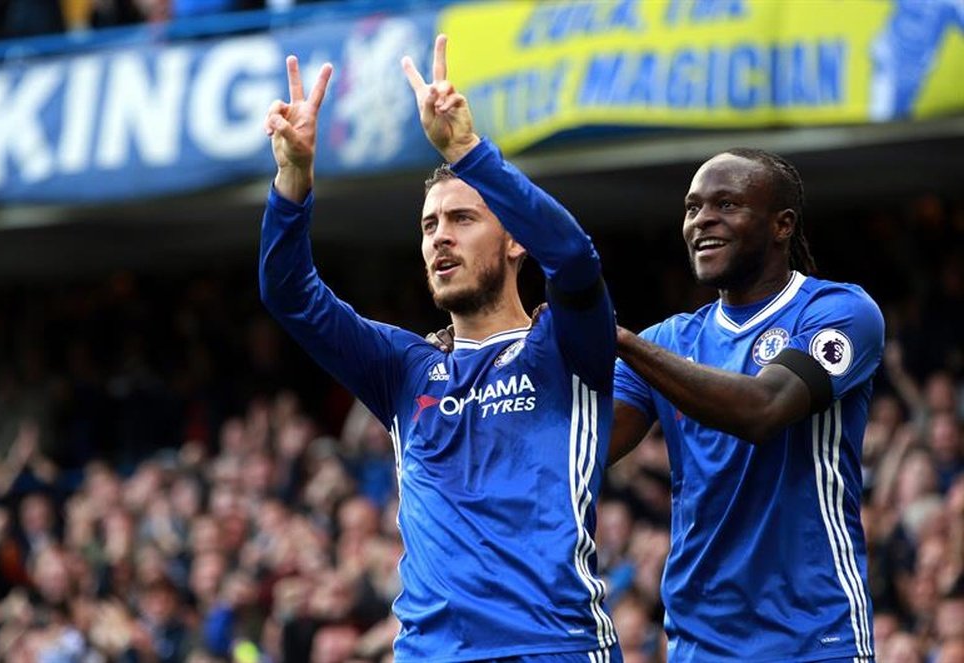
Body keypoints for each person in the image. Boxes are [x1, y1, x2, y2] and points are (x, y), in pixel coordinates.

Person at [259, 33, 621, 662]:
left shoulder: (565, 346)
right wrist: (293, 179)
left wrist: (466, 152)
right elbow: (291, 296)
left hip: (553, 647)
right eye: (429, 225)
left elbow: (575, 261)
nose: (440, 239)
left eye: (462, 219)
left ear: (515, 243)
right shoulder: (404, 368)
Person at [611, 148, 885, 661]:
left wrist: (622, 342)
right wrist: (496, 346)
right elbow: (584, 449)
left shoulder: (838, 312)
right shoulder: (668, 341)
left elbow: (762, 409)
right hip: (699, 642)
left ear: (782, 225)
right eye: (693, 208)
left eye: (727, 204)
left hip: (813, 637)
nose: (702, 220)